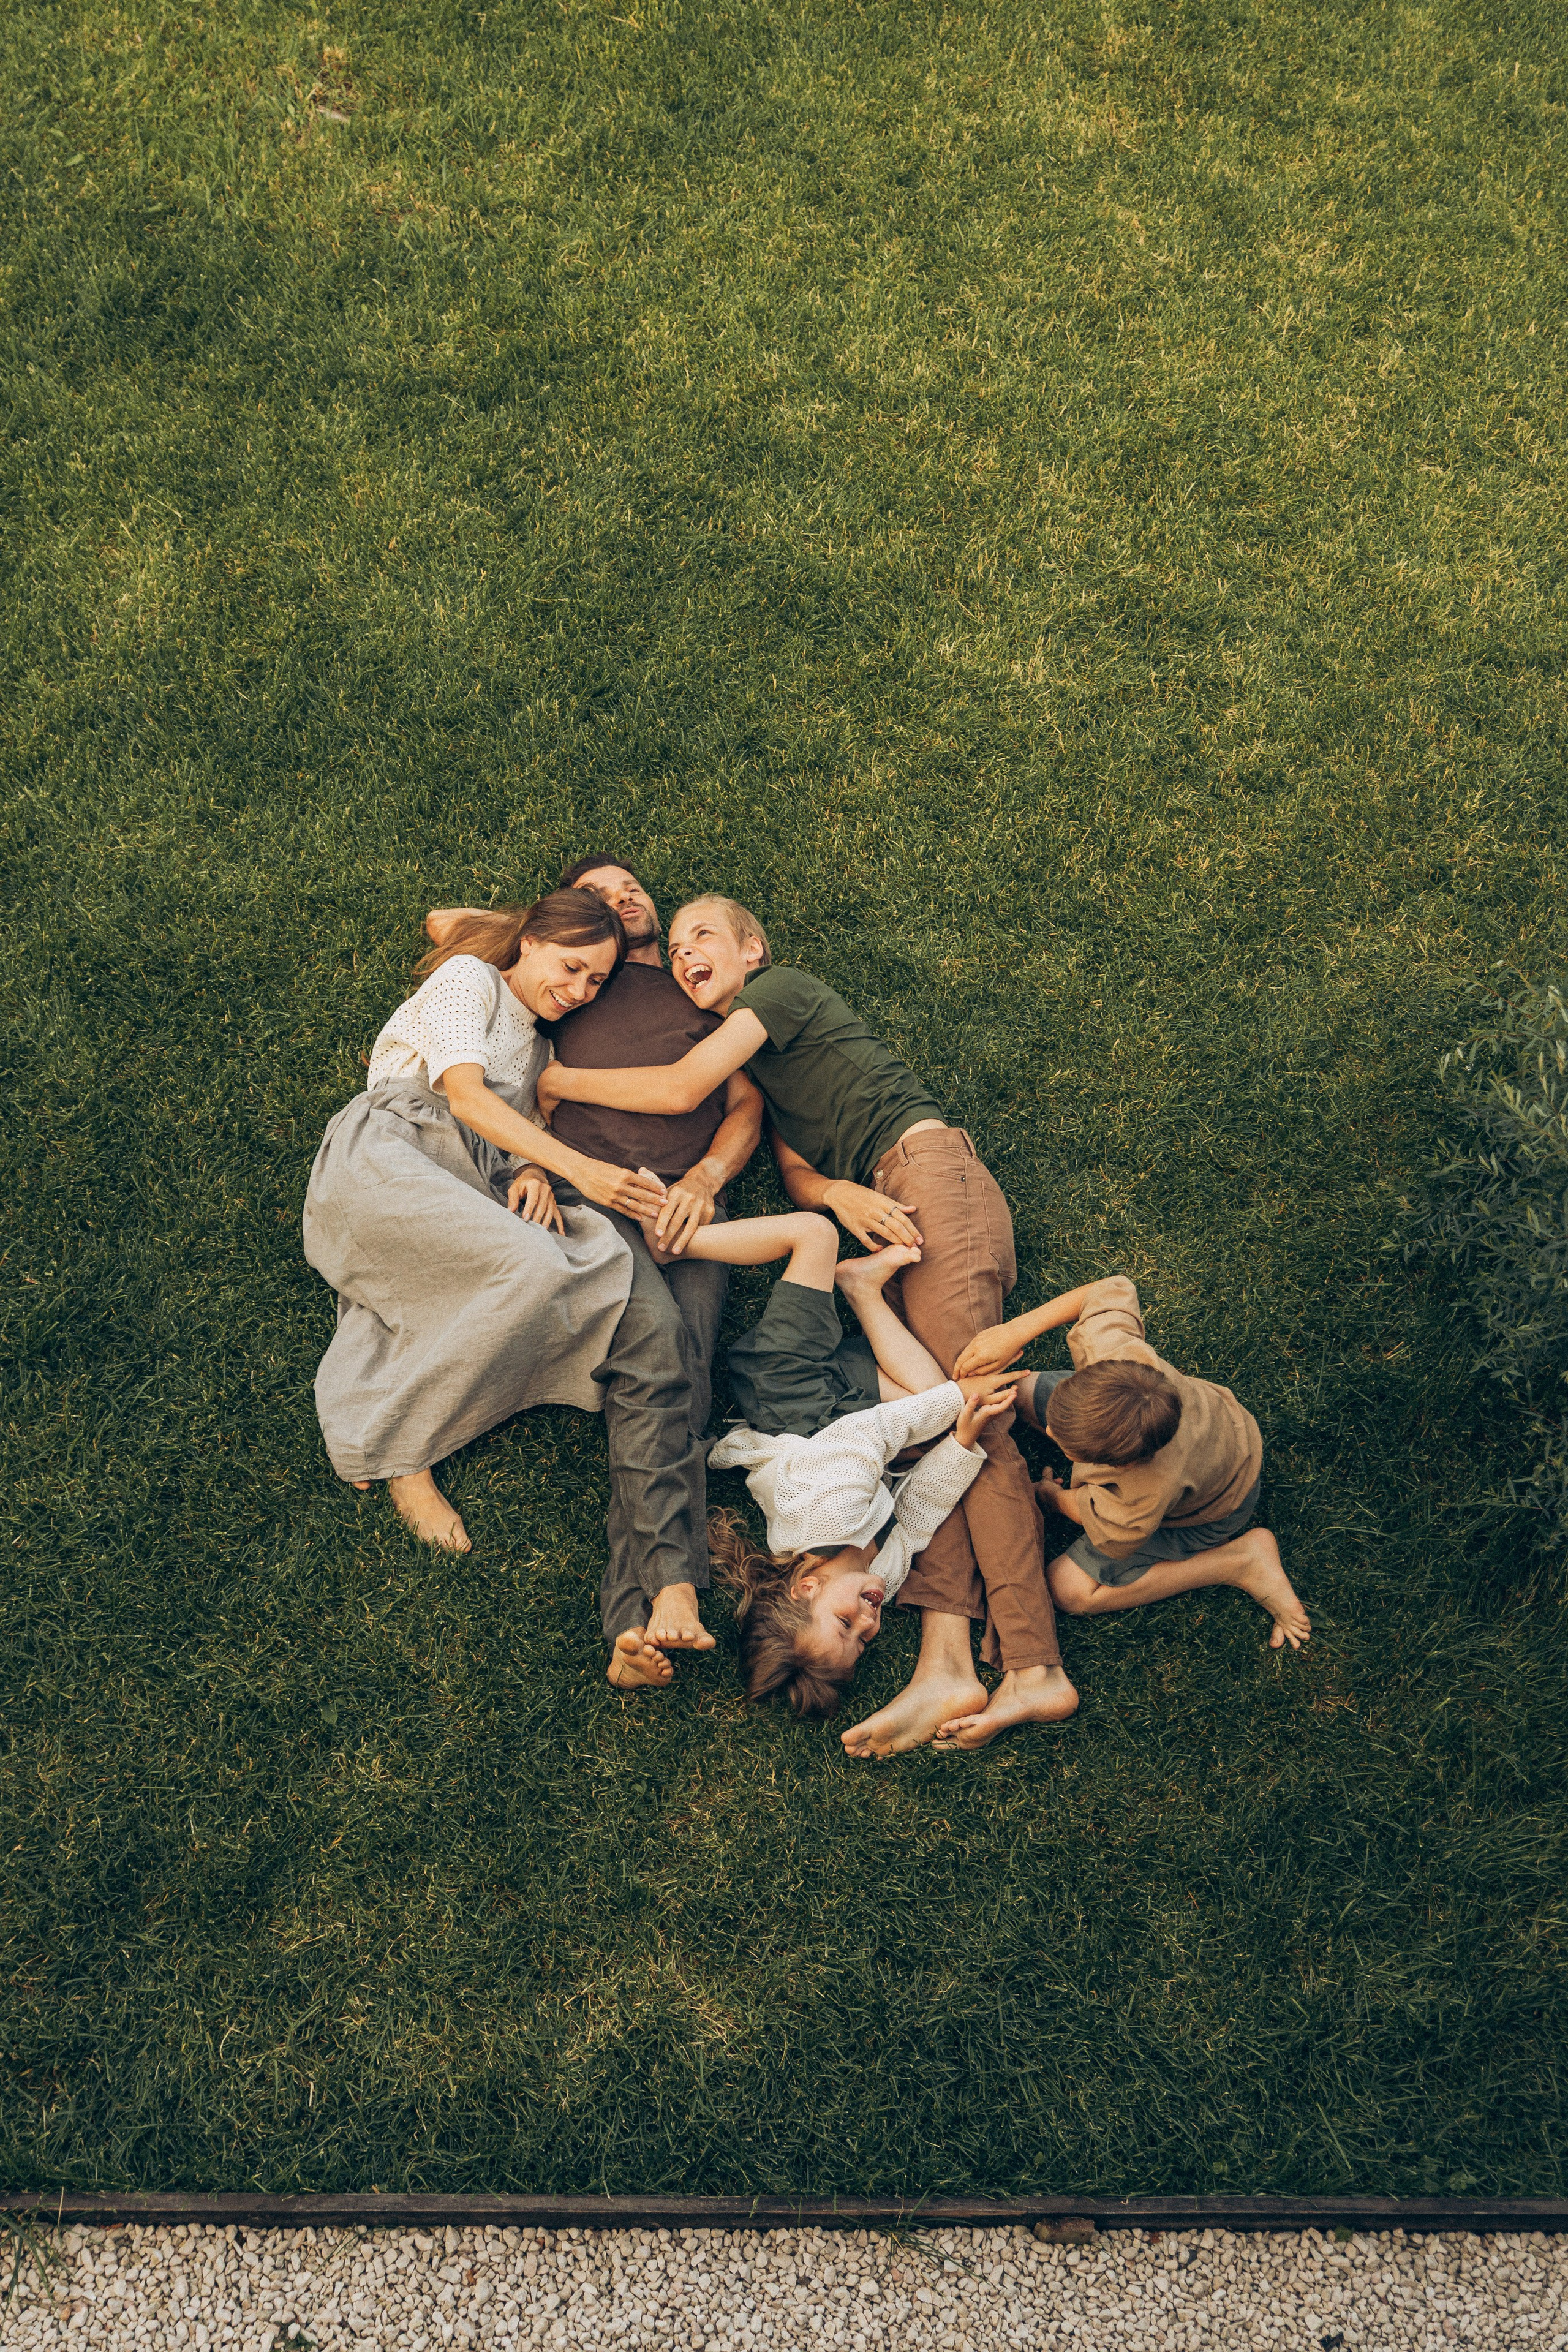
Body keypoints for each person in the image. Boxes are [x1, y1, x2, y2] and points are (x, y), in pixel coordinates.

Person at [536, 894, 1080, 1754]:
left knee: (977, 1407)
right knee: (956, 1429)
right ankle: (946, 1658)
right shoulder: (773, 1084)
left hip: (929, 1174)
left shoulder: (780, 993)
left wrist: (555, 1081)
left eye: (703, 938)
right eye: (673, 949)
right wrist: (838, 1189)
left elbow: (684, 1086)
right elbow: (798, 1180)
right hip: (886, 1192)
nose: (685, 956)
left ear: (754, 950)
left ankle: (1035, 1666)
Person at [423, 859, 764, 1688]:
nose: (624, 899)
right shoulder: (568, 987)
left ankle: (637, 1623)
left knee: (681, 1378)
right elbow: (444, 923)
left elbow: (747, 1105)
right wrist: (530, 1171)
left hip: (685, 1209)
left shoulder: (704, 991)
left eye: (633, 889)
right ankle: (664, 1596)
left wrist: (706, 1180)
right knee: (653, 1369)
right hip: (589, 1198)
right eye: (600, 896)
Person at [302, 891, 667, 1556]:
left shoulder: (542, 1053)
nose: (579, 990)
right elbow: (464, 1096)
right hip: (392, 1148)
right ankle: (405, 1455)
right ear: (529, 942)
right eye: (571, 966)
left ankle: (387, 1385)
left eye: (594, 980)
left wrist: (531, 1170)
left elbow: (519, 1133)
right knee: (531, 1265)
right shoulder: (469, 979)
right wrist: (579, 1171)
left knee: (592, 1261)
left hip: (473, 1177)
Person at [612, 1208, 1019, 1713]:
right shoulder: (881, 1582)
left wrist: (959, 1400)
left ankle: (672, 1245)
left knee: (815, 1235)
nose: (868, 1625)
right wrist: (960, 1442)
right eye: (863, 1642)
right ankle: (860, 1287)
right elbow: (917, 1518)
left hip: (788, 1394)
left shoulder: (826, 1518)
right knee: (932, 1395)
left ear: (808, 1587)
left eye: (845, 1625)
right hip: (844, 1409)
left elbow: (872, 1433)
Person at [954, 1275, 1311, 1652]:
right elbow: (1108, 1288)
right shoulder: (1119, 1354)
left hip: (1216, 1508)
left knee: (1069, 1591)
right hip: (1226, 1433)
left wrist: (1050, 1498)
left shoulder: (1138, 1498)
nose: (1047, 1430)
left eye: (1061, 1439)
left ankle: (1237, 1561)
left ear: (1119, 1467)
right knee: (1017, 1392)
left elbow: (1091, 1515)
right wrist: (1015, 1331)